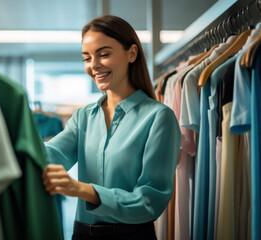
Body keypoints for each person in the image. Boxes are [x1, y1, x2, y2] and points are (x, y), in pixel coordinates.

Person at [42, 15, 181, 240]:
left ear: (132, 53)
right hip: (81, 234)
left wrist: (82, 190)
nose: (94, 65)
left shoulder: (159, 117)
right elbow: (51, 154)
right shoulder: (83, 117)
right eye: (87, 58)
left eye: (103, 54)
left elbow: (150, 200)